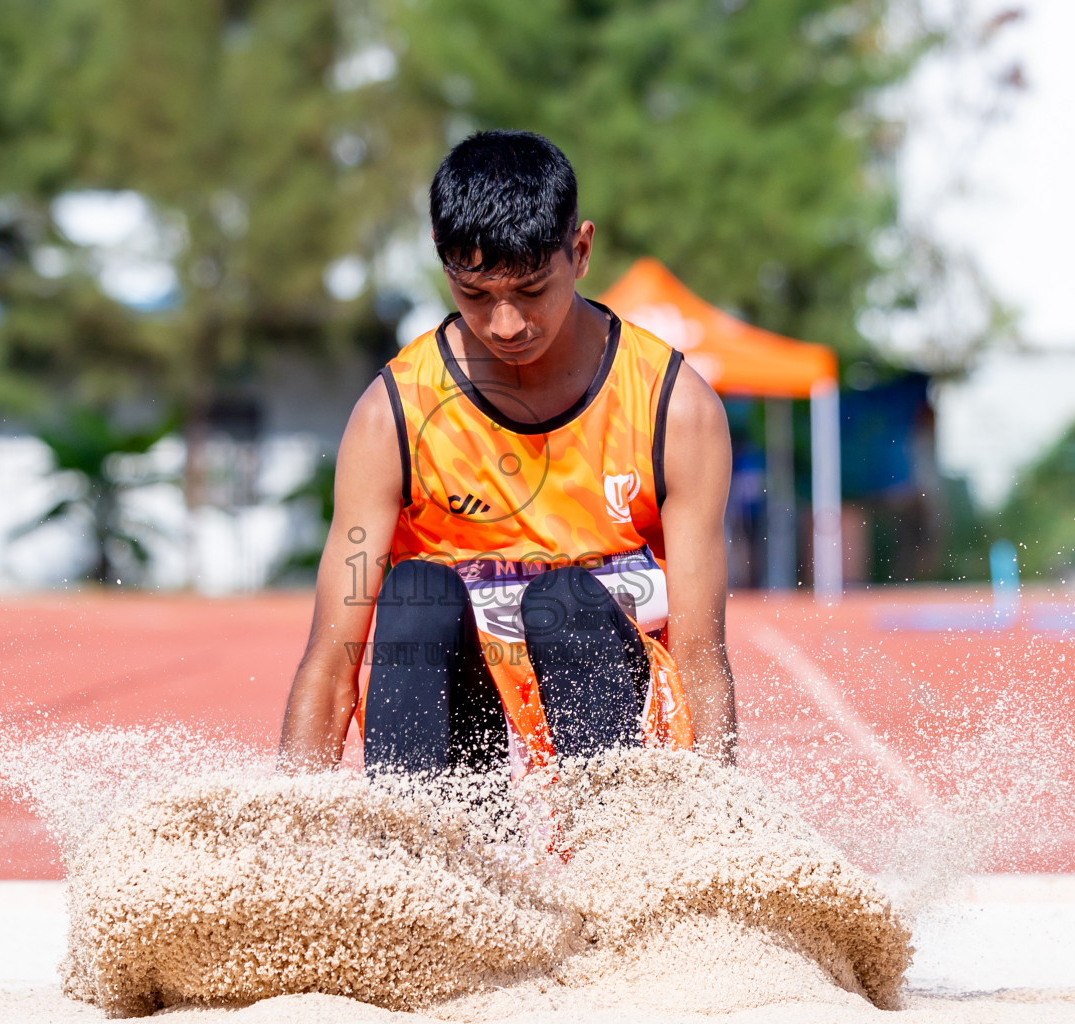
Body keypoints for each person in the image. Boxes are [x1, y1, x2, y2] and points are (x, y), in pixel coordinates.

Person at [278, 130, 735, 779]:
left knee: (565, 604)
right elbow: (330, 665)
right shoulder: (393, 419)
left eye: (529, 291)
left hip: (617, 726)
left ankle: (617, 849)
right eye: (476, 295)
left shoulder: (675, 410)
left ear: (579, 252)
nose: (506, 325)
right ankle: (426, 858)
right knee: (413, 596)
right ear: (445, 268)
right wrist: (294, 842)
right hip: (471, 735)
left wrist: (714, 827)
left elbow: (700, 654)